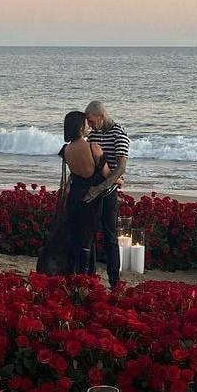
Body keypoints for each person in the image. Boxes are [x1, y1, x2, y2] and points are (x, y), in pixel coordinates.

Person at [83, 101, 129, 288]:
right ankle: (91, 275)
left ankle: (114, 280)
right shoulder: (94, 133)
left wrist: (99, 188)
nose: (90, 126)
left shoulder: (120, 134)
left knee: (110, 236)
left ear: (101, 117)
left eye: (92, 122)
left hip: (107, 191)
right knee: (90, 234)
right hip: (94, 187)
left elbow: (121, 168)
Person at [61, 110, 110, 273]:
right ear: (81, 127)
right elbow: (107, 174)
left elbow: (74, 175)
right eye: (86, 124)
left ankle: (76, 272)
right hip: (91, 197)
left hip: (75, 196)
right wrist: (120, 179)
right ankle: (86, 274)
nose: (89, 126)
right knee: (88, 238)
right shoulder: (93, 147)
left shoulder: (66, 150)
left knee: (77, 235)